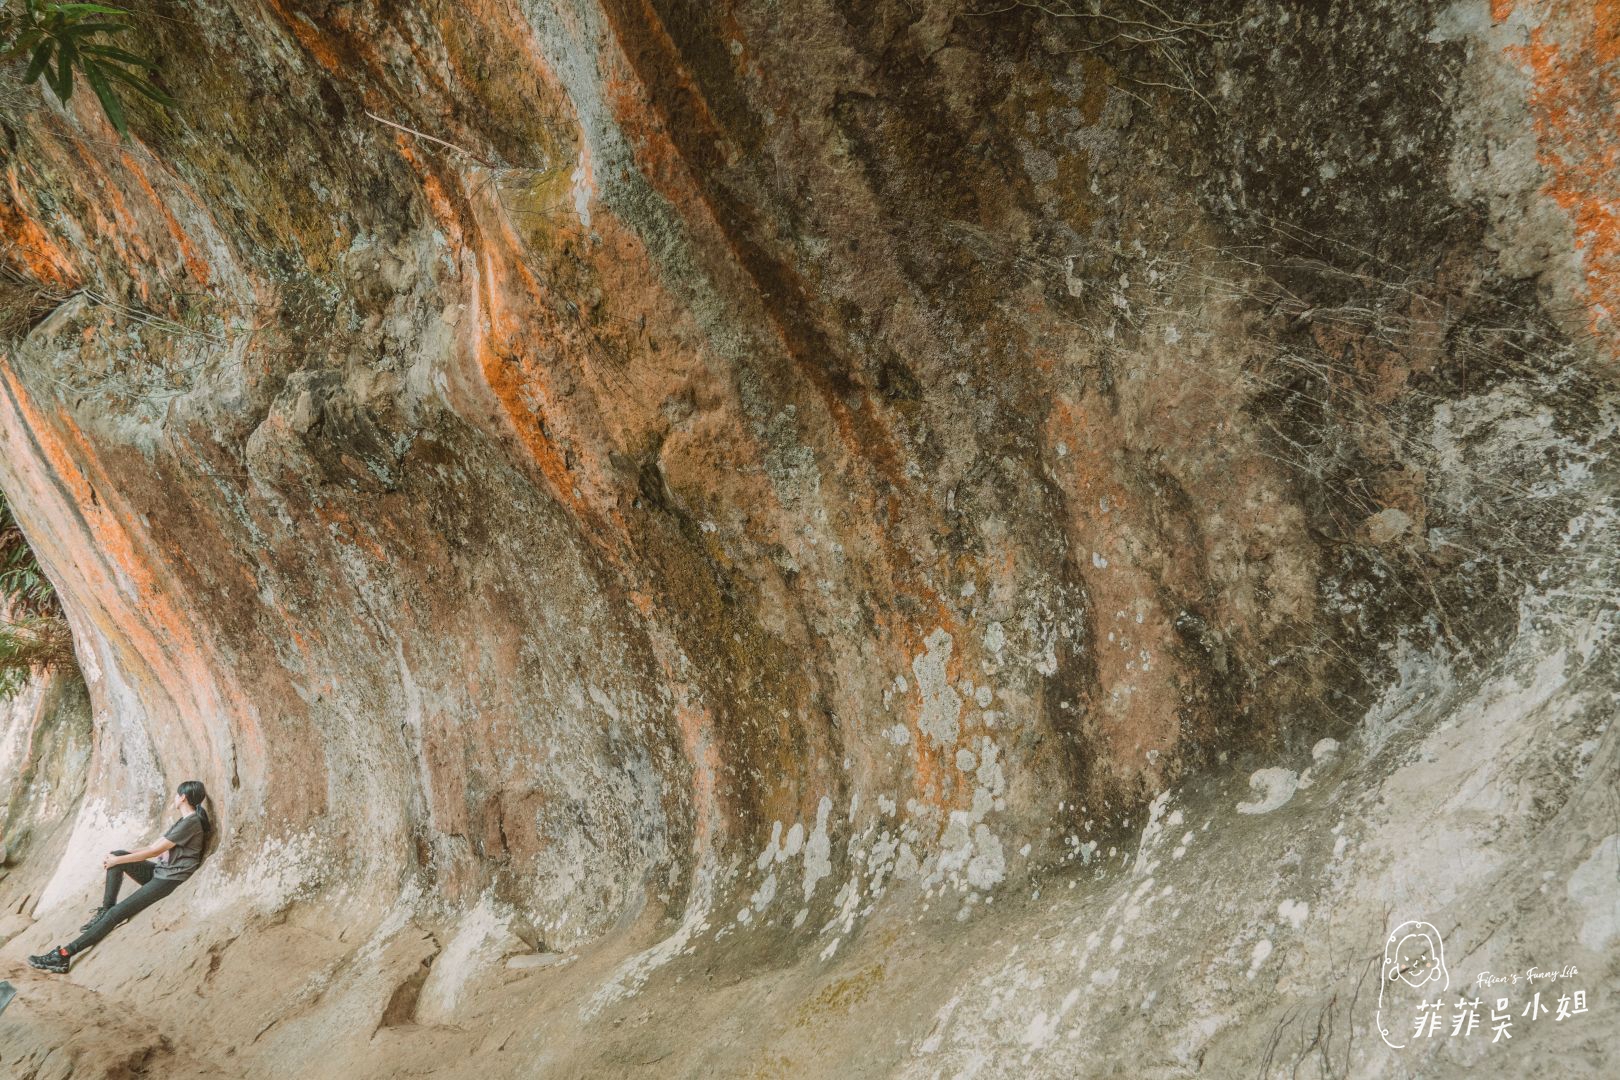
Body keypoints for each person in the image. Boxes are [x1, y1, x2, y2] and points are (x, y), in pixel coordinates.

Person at [28, 780, 212, 974]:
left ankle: (63, 955)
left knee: (115, 915)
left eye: (177, 795)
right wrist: (119, 858)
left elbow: (153, 852)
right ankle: (105, 909)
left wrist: (118, 862)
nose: (174, 798)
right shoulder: (183, 821)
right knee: (118, 854)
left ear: (183, 797)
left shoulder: (191, 823)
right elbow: (151, 847)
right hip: (162, 872)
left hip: (169, 880)